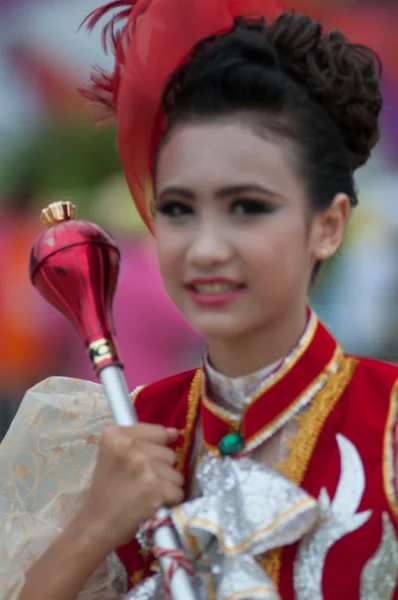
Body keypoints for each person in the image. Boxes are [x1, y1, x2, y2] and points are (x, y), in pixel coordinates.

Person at [0, 0, 396, 598]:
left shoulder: (389, 425)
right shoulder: (108, 439)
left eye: (248, 207)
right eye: (180, 210)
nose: (205, 248)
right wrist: (91, 529)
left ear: (328, 225)